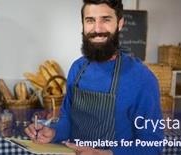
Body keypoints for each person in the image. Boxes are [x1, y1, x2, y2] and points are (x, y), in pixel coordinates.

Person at [25, 0, 164, 154]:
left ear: (120, 23)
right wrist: (53, 132)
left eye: (106, 19)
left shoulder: (142, 78)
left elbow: (152, 146)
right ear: (83, 25)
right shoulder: (77, 69)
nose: (97, 29)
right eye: (90, 20)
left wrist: (106, 154)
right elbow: (68, 120)